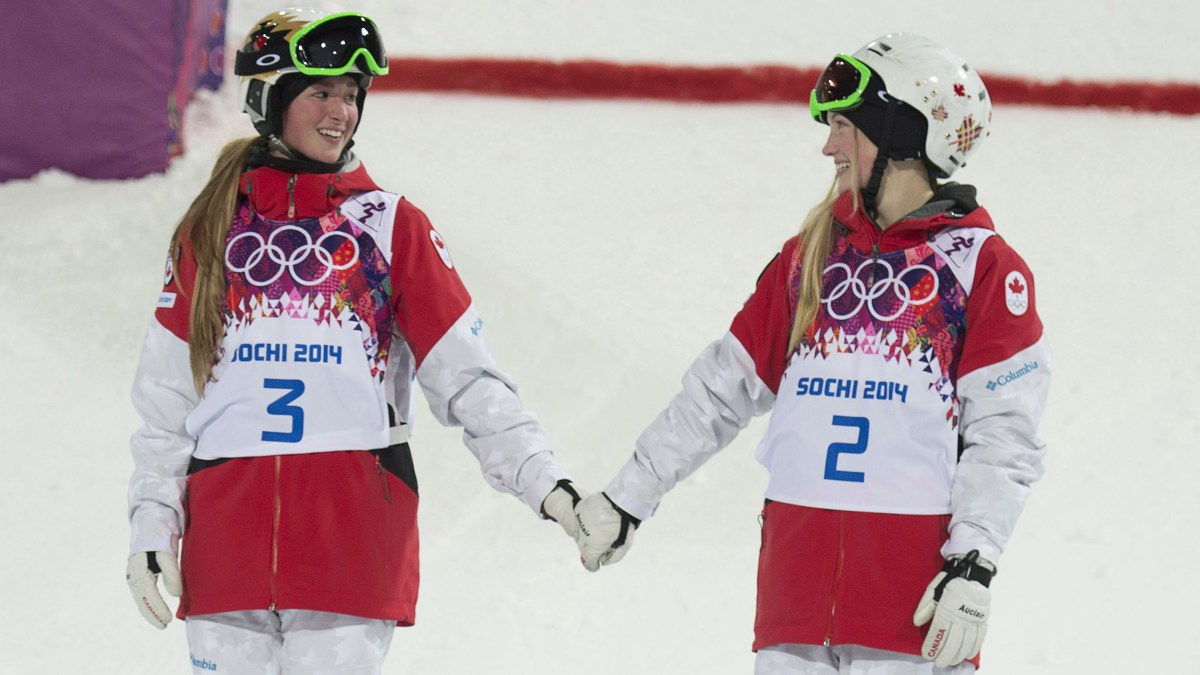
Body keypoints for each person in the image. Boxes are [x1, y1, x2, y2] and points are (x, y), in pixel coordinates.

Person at [570, 33, 1051, 673]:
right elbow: (719, 392)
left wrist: (974, 564)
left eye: (846, 128)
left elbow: (1003, 436)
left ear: (903, 131)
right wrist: (628, 497)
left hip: (910, 617)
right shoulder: (809, 260)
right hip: (793, 612)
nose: (828, 146)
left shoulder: (983, 269)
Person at [124, 9, 583, 673]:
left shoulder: (391, 226)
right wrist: (150, 525)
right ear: (269, 99)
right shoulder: (209, 231)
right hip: (225, 555)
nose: (341, 110)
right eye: (321, 92)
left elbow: (469, 379)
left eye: (351, 94)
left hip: (348, 551)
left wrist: (547, 483)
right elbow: (165, 402)